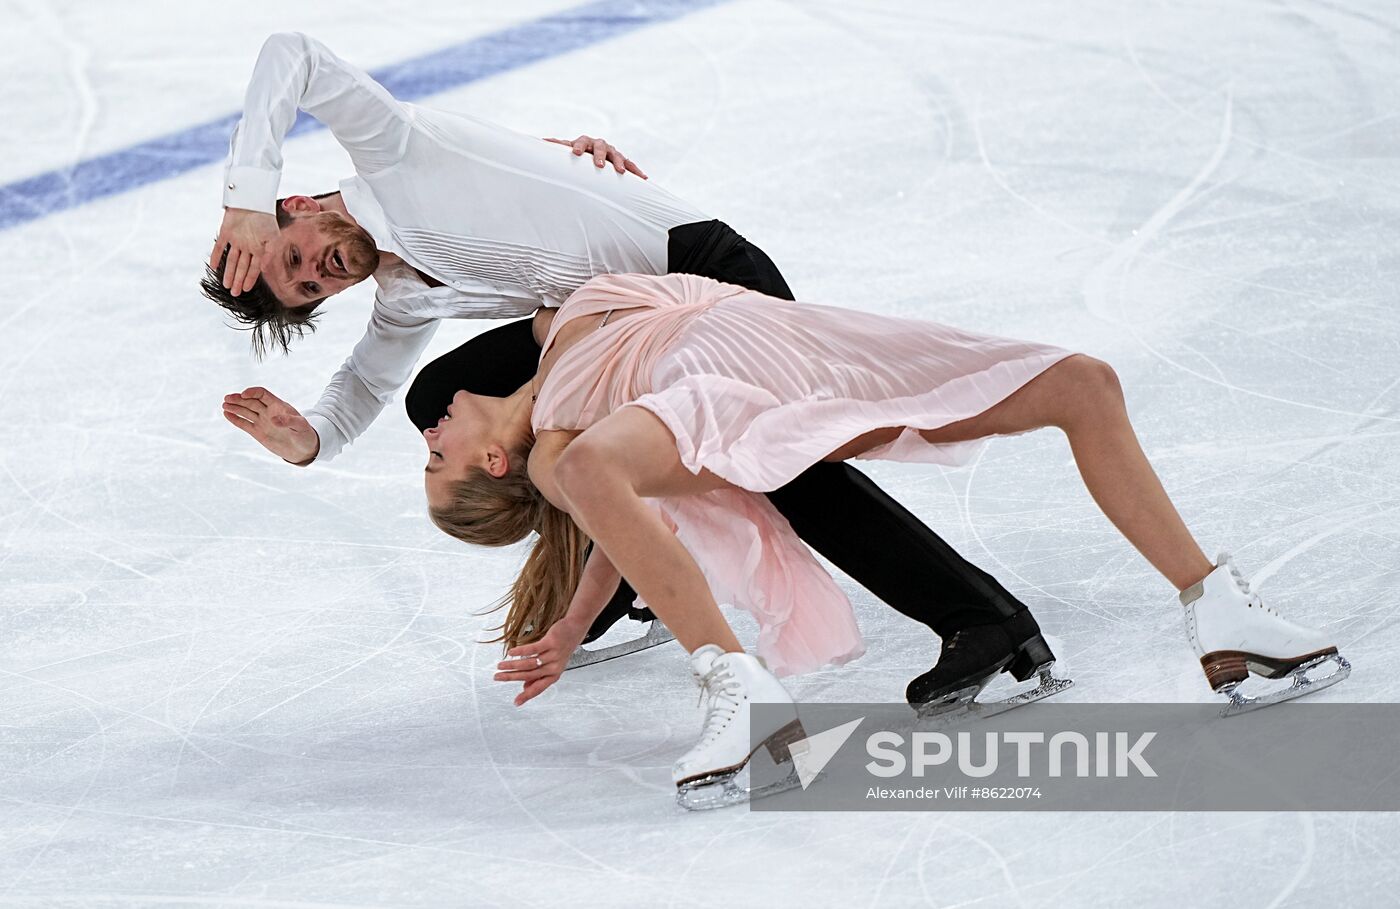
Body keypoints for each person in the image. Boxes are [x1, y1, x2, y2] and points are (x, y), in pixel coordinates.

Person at [206, 31, 1061, 698]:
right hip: (626, 321)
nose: (319, 275)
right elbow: (365, 380)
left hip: (701, 280)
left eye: (298, 259)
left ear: (297, 207)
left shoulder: (390, 149)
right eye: (309, 292)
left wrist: (240, 195)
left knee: (785, 469)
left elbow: (295, 57)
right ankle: (622, 578)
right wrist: (312, 437)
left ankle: (982, 619)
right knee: (439, 393)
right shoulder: (405, 293)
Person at [422, 271, 1350, 803]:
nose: (428, 435)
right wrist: (579, 617)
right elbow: (608, 508)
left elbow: (490, 240)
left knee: (1083, 382)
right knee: (589, 472)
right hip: (718, 392)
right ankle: (741, 695)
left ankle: (1222, 614)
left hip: (802, 347)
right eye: (436, 459)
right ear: (493, 469)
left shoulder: (556, 344)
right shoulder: (555, 448)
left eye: (425, 449)